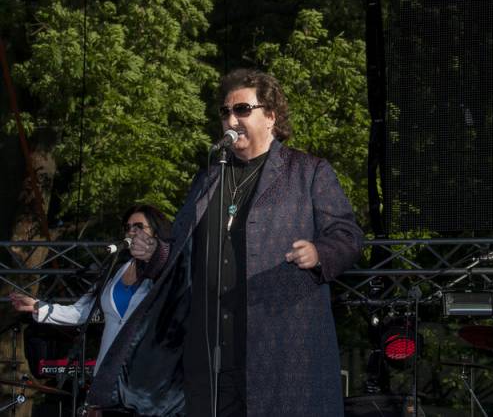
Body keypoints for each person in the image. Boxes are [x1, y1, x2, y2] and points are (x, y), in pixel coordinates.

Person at [86, 68, 364, 417]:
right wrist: (154, 252)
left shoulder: (307, 171)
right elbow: (180, 252)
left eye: (242, 110)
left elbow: (348, 236)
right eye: (225, 112)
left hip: (278, 347)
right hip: (208, 353)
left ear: (271, 116)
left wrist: (319, 252)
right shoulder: (209, 177)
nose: (231, 120)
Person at [9, 204, 171, 374]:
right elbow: (82, 312)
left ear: (155, 233)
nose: (131, 232)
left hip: (147, 374)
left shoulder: (168, 269)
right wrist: (37, 305)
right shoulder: (115, 269)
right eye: (128, 227)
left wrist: (157, 256)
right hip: (108, 371)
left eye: (138, 227)